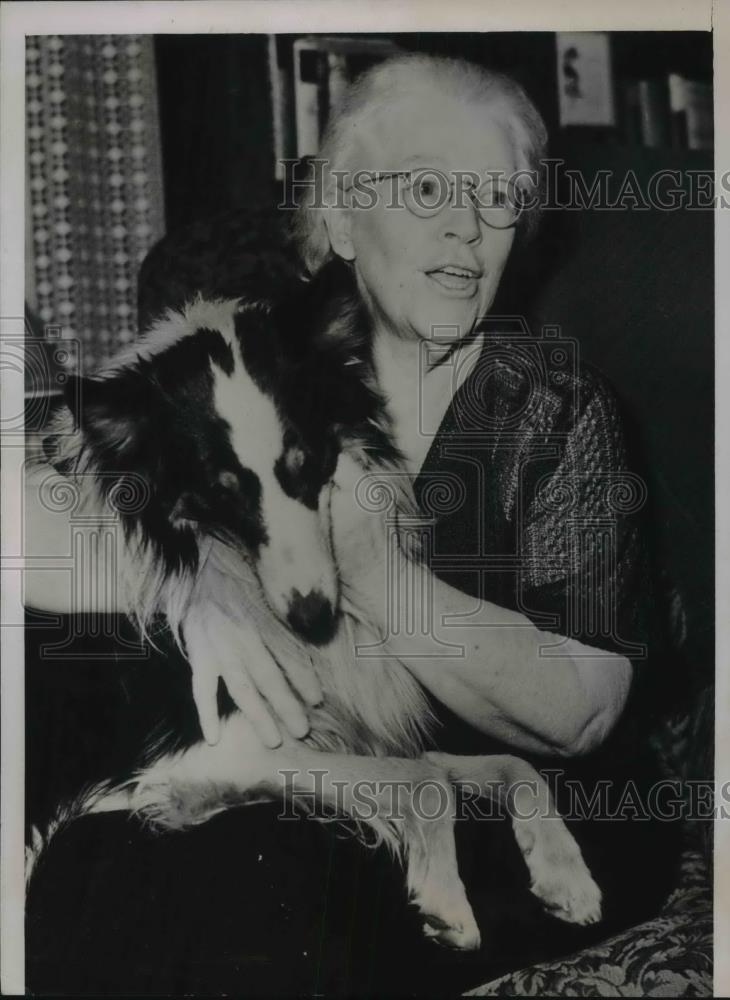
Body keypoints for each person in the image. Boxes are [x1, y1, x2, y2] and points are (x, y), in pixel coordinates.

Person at [25, 54, 678, 995]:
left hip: (553, 809)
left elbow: (584, 715)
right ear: (336, 215)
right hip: (319, 779)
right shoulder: (253, 371)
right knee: (102, 864)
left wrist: (377, 577)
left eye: (498, 196)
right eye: (425, 188)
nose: (466, 222)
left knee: (260, 888)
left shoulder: (553, 408)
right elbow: (66, 484)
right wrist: (168, 586)